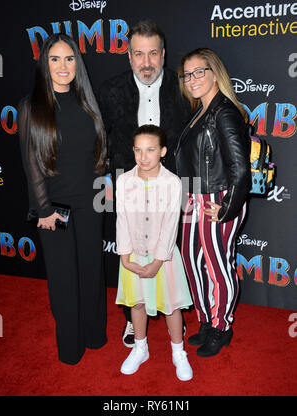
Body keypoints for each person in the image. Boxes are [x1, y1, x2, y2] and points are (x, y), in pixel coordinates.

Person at [98, 19, 191, 347]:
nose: (147, 63)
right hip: (130, 184)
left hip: (171, 183)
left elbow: (193, 137)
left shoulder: (182, 87)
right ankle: (132, 322)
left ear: (163, 54)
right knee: (133, 249)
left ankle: (173, 313)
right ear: (129, 55)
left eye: (153, 54)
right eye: (139, 54)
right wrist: (106, 178)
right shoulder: (111, 89)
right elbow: (101, 138)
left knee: (169, 251)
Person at [18, 33, 107, 365]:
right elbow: (31, 162)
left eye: (69, 58)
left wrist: (102, 188)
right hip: (54, 207)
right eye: (54, 59)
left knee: (91, 271)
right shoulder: (32, 106)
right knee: (63, 279)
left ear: (77, 63)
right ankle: (71, 346)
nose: (62, 65)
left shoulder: (87, 101)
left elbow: (99, 150)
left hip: (90, 202)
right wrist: (42, 208)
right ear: (44, 64)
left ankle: (95, 335)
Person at [175, 48, 250, 357]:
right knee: (193, 265)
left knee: (218, 268)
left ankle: (222, 327)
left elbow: (240, 167)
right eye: (186, 74)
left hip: (218, 199)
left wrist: (228, 207)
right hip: (194, 198)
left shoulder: (225, 111)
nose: (191, 79)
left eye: (199, 72)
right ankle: (206, 320)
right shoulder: (200, 112)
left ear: (215, 72)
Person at [115, 124, 193, 381]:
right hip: (134, 255)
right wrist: (125, 257)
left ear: (163, 151)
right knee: (136, 302)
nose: (143, 156)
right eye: (138, 150)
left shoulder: (172, 183)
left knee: (171, 306)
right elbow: (122, 219)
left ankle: (178, 352)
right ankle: (140, 348)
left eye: (150, 150)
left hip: (165, 258)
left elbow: (171, 225)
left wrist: (158, 260)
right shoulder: (124, 180)